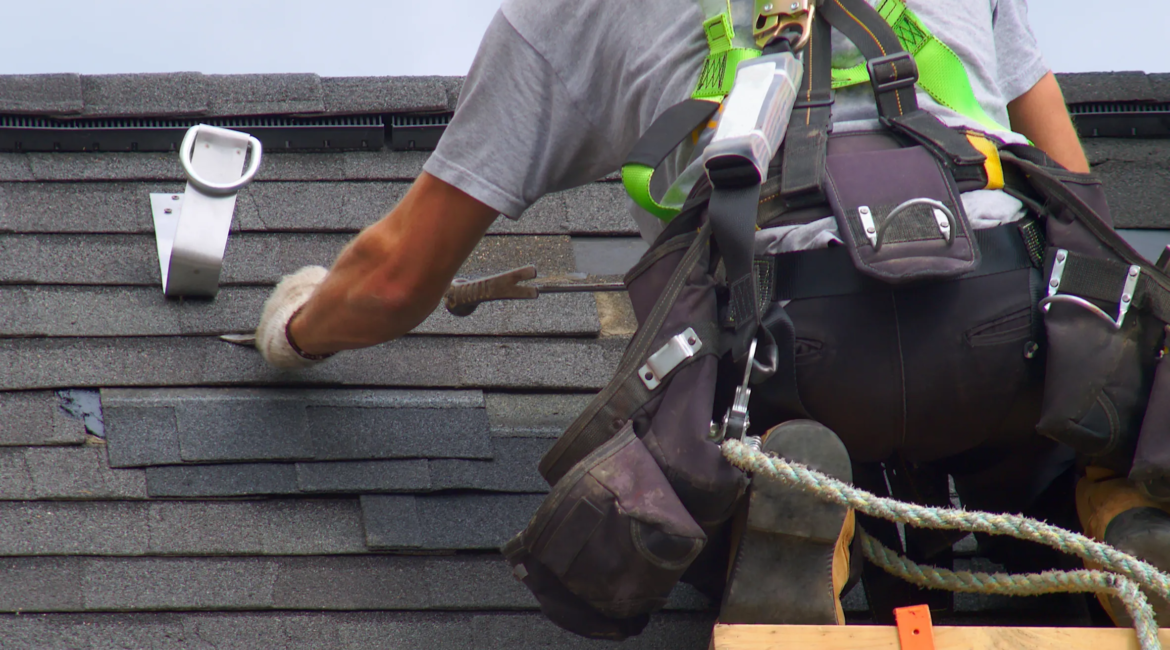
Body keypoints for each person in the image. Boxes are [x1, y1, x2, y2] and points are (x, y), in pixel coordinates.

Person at [253, 0, 1169, 629]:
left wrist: (294, 330)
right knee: (1073, 399)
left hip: (790, 353)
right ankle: (1112, 504)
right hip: (1007, 328)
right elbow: (1077, 199)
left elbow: (394, 279)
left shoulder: (563, 17)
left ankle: (792, 518)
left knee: (709, 442)